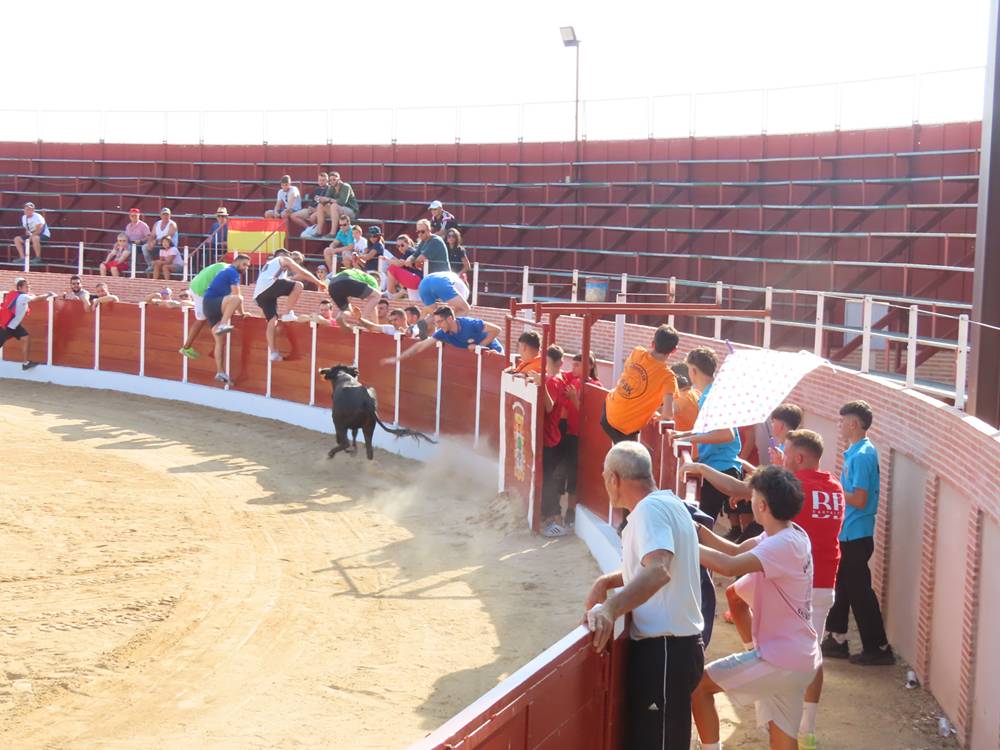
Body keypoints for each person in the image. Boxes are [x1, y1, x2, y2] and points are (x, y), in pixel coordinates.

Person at [684, 429, 844, 749]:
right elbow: (732, 551)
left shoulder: (781, 543)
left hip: (779, 659)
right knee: (782, 740)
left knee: (698, 686)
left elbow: (729, 568)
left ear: (761, 505)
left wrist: (681, 541)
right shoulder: (787, 533)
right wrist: (698, 531)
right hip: (798, 660)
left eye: (753, 497)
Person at [583, 441, 704, 750]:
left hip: (665, 650)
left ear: (614, 479)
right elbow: (650, 564)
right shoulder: (668, 503)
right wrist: (607, 580)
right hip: (675, 648)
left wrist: (610, 607)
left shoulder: (648, 511)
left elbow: (658, 570)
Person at [822, 401, 894, 667]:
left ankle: (878, 647)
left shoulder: (862, 455)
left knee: (860, 592)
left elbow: (861, 499)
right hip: (850, 533)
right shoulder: (856, 451)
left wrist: (835, 491)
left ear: (853, 423)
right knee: (842, 586)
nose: (840, 426)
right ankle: (837, 639)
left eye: (842, 421)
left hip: (856, 535)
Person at [671, 348, 743, 526]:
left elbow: (726, 434)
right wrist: (686, 434)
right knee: (701, 522)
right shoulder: (712, 393)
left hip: (720, 467)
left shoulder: (712, 396)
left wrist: (690, 439)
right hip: (721, 466)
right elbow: (712, 430)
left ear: (693, 371)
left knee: (700, 524)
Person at [601, 324, 680, 444]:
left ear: (653, 343)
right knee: (626, 461)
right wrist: (659, 415)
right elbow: (668, 414)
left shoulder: (637, 352)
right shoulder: (668, 377)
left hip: (607, 412)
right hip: (625, 428)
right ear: (674, 350)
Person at [253, 249, 324, 362]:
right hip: (269, 287)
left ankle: (273, 352)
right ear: (284, 255)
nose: (293, 261)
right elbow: (302, 273)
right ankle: (287, 314)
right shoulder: (283, 259)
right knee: (298, 286)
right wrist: (318, 283)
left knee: (272, 321)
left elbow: (288, 280)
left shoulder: (271, 266)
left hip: (259, 295)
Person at [382, 306, 503, 365]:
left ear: (450, 319)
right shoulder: (442, 333)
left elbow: (497, 330)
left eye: (440, 322)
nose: (438, 326)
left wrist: (479, 346)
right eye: (436, 323)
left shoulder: (469, 324)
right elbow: (420, 346)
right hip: (477, 360)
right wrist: (398, 358)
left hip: (494, 353)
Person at [561, 351, 602, 525]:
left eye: (578, 365)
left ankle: (570, 510)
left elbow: (587, 415)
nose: (574, 368)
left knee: (573, 474)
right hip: (566, 432)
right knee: (566, 472)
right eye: (574, 364)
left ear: (590, 366)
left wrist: (573, 398)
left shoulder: (595, 386)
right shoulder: (571, 380)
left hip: (578, 436)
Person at [201, 254, 251, 384]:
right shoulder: (232, 272)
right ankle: (224, 324)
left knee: (219, 341)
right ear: (237, 262)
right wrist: (243, 313)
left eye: (247, 266)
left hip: (209, 306)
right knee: (238, 298)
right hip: (213, 304)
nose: (246, 268)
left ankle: (220, 371)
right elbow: (237, 295)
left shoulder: (226, 270)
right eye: (244, 264)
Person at [536, 345, 570, 537]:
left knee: (547, 479)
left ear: (555, 363)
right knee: (547, 478)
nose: (544, 365)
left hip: (549, 436)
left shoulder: (552, 381)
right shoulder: (558, 378)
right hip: (552, 434)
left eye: (546, 362)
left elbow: (548, 407)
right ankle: (551, 517)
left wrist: (540, 384)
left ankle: (556, 518)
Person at [180, 261, 233, 359]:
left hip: (197, 287)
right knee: (204, 319)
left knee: (216, 317)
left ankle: (213, 348)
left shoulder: (223, 266)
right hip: (200, 291)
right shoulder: (227, 272)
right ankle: (187, 347)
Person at [0, 278, 55, 369]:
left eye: (29, 285)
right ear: (20, 288)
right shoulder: (22, 297)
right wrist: (48, 294)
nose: (29, 287)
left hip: (14, 326)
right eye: (26, 286)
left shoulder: (18, 295)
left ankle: (25, 363)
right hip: (6, 327)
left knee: (26, 337)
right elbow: (36, 299)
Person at [386, 234, 423, 299]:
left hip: (416, 279)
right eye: (398, 246)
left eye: (402, 245)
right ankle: (397, 292)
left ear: (408, 244)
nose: (400, 248)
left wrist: (386, 259)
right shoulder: (410, 252)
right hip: (417, 281)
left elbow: (399, 264)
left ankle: (389, 293)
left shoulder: (409, 250)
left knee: (392, 268)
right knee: (415, 303)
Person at [670, 363, 701, 432]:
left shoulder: (681, 398)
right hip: (692, 439)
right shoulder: (696, 393)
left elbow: (665, 412)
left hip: (682, 440)